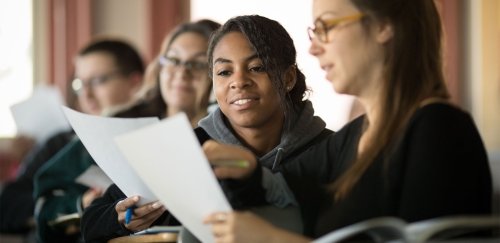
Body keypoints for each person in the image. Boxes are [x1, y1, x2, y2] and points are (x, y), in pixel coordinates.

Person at [203, 1, 492, 242]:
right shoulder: (351, 138)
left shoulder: (439, 130)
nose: (314, 48)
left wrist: (273, 240)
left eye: (326, 27)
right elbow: (277, 186)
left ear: (383, 25)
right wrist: (243, 167)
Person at [82, 15, 333, 242]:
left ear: (288, 78)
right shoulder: (186, 147)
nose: (238, 82)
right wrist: (121, 219)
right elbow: (93, 220)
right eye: (224, 72)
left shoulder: (332, 149)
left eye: (257, 68)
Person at [80, 19, 221, 242]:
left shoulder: (222, 135)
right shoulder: (123, 120)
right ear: (160, 66)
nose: (182, 72)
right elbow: (92, 219)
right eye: (173, 60)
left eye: (198, 64)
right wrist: (113, 213)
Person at [32, 38, 147, 243]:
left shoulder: (153, 130)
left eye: (98, 81)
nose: (86, 94)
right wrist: (81, 203)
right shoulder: (66, 143)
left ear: (134, 81)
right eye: (80, 83)